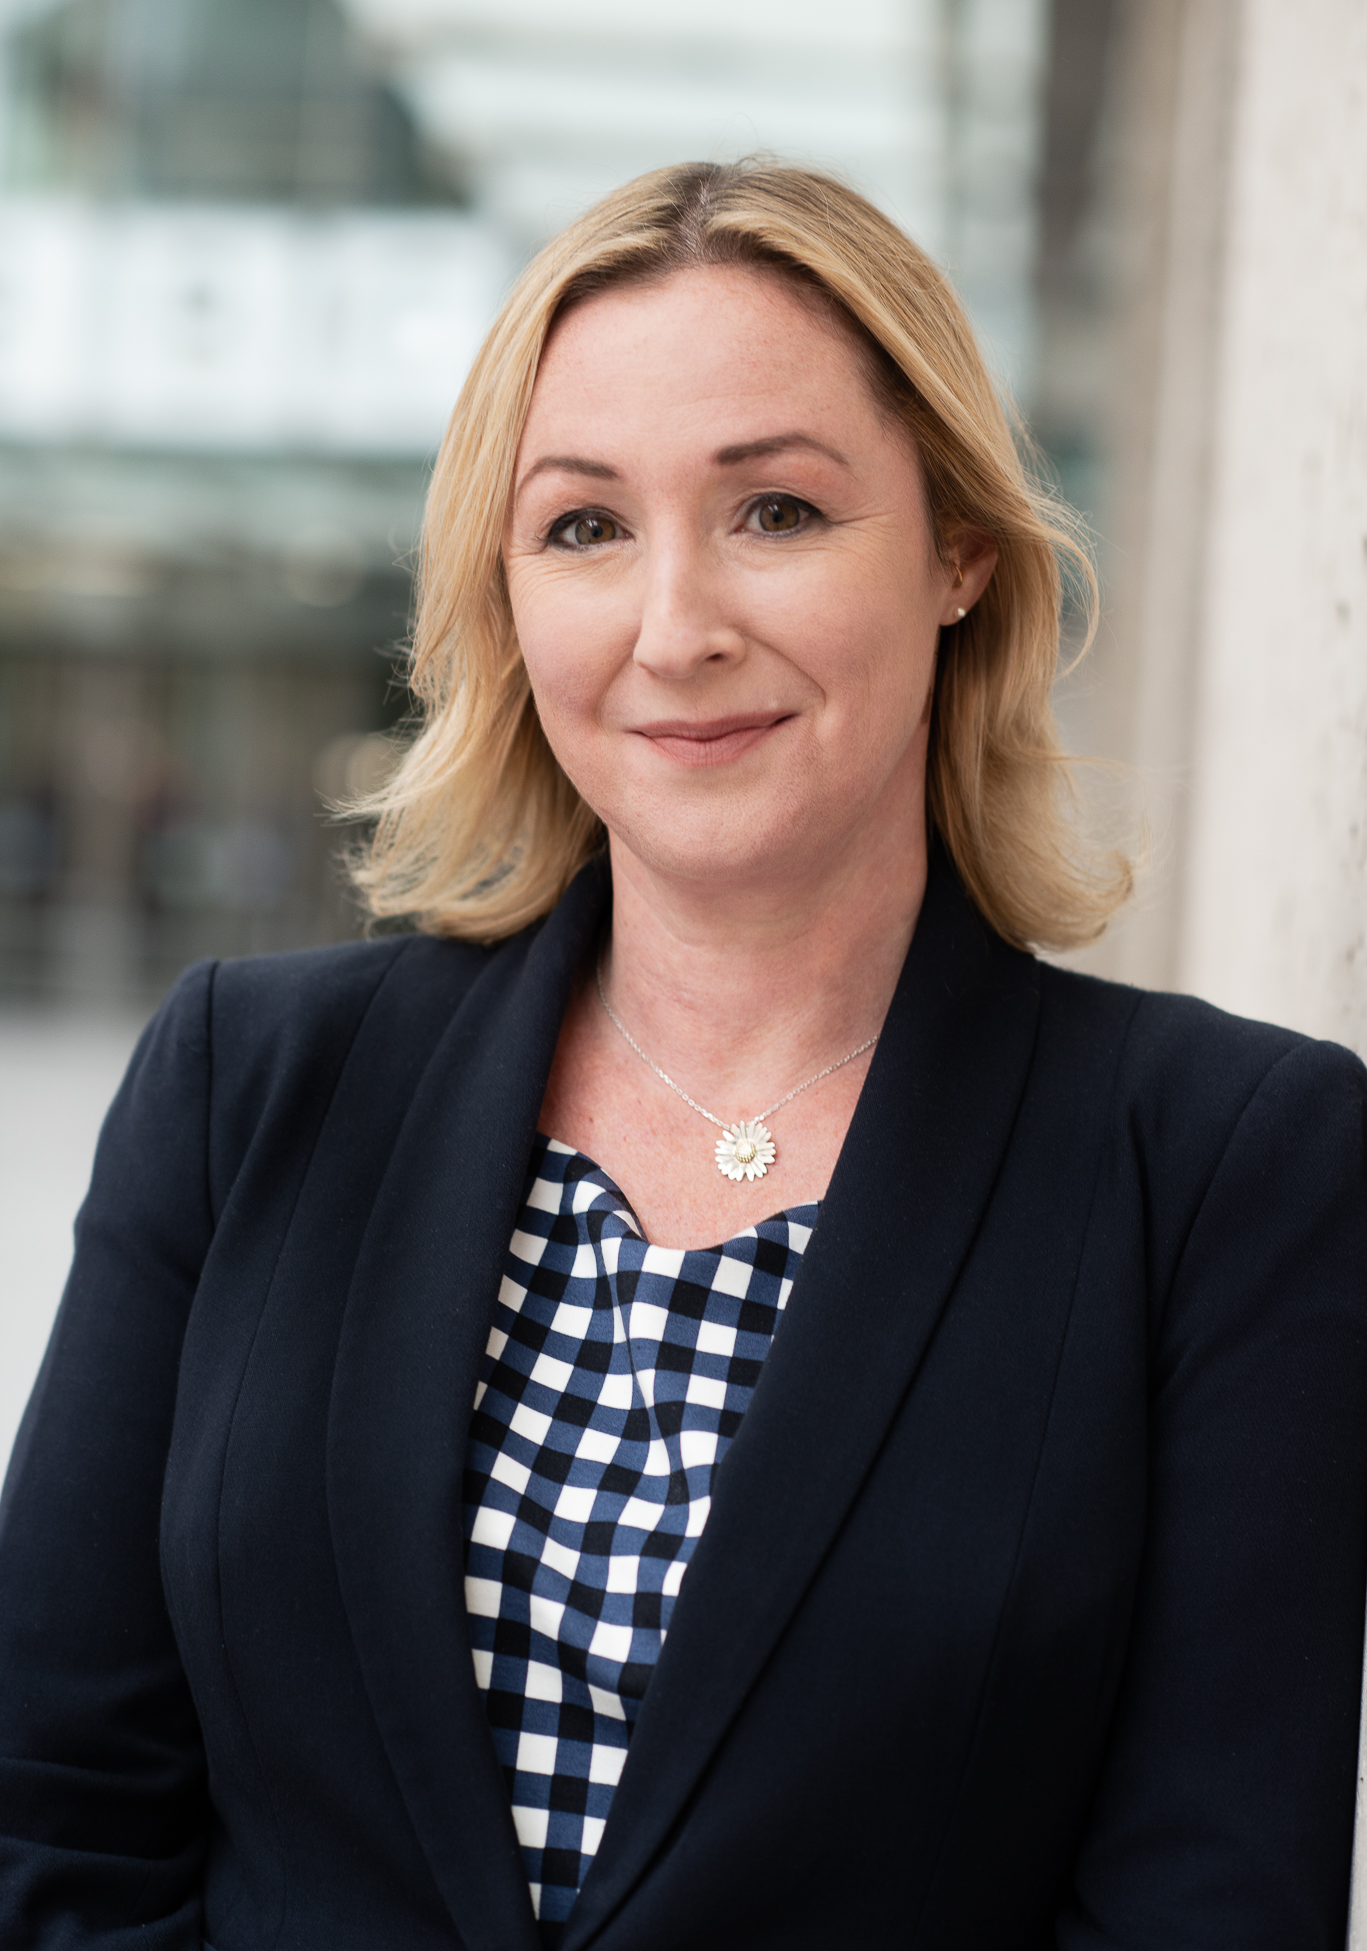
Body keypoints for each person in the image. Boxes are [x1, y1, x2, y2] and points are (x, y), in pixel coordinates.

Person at [1, 159, 1364, 1951]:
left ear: (959, 551)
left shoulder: (1231, 1170)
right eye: (584, 528)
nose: (676, 627)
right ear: (504, 595)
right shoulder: (241, 1088)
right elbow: (50, 1816)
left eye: (777, 511)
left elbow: (1213, 1906)